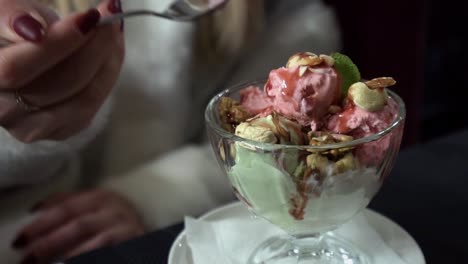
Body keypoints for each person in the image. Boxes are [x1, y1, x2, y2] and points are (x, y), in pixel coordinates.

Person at [0, 0, 342, 263]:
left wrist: (159, 193)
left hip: (176, 240)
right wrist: (22, 131)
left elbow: (278, 140)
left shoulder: (281, 14)